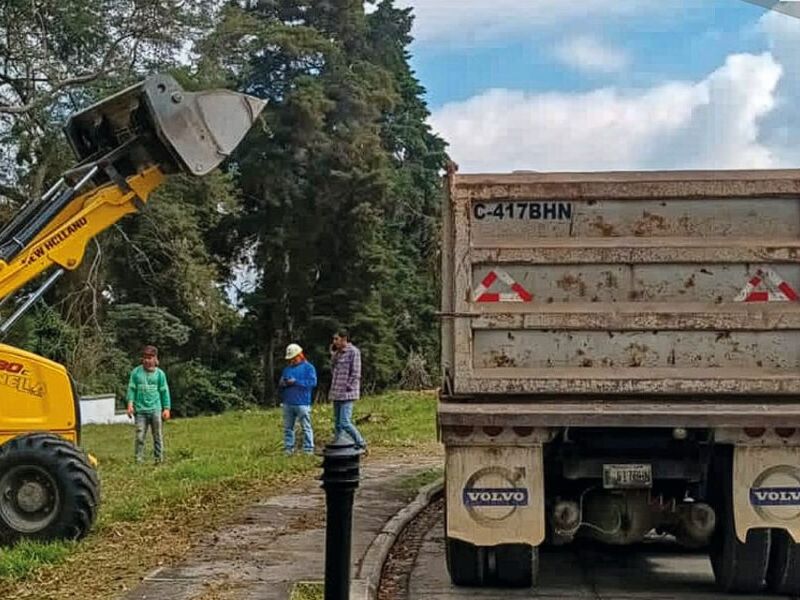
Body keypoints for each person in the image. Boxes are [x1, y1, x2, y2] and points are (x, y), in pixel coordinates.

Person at [126, 345, 171, 464]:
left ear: (155, 358)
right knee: (140, 436)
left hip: (155, 409)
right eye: (145, 357)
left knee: (157, 436)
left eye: (150, 357)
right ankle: (138, 460)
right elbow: (131, 389)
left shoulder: (160, 374)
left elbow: (164, 391)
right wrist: (130, 404)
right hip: (140, 410)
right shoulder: (136, 372)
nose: (147, 360)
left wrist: (166, 408)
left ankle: (158, 459)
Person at [329, 329, 366, 450]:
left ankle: (360, 442)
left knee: (345, 422)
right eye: (334, 339)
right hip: (336, 392)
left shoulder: (353, 352)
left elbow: (356, 372)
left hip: (347, 393)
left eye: (337, 339)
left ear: (344, 339)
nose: (334, 342)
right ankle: (339, 443)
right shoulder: (338, 354)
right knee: (338, 423)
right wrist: (333, 355)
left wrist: (348, 386)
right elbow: (333, 369)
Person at [279, 343, 317, 455]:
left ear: (300, 355)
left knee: (306, 427)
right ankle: (288, 449)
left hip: (302, 402)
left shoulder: (309, 367)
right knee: (288, 428)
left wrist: (296, 382)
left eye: (294, 358)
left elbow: (312, 382)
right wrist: (283, 383)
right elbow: (281, 382)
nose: (292, 361)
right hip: (288, 402)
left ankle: (308, 450)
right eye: (290, 359)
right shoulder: (287, 369)